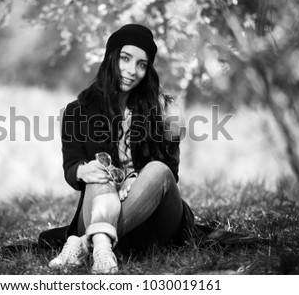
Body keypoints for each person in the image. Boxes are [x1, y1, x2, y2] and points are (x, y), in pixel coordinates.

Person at [40, 24, 196, 274]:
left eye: (142, 64)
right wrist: (83, 172)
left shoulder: (162, 110)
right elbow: (71, 167)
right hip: (101, 203)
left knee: (157, 169)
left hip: (152, 220)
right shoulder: (77, 111)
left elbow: (170, 176)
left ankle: (83, 242)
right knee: (98, 172)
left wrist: (138, 179)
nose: (132, 71)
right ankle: (101, 243)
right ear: (111, 56)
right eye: (125, 58)